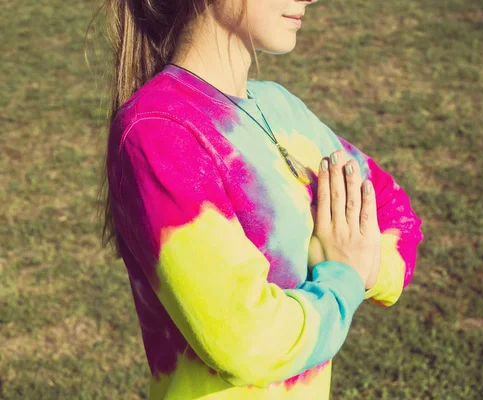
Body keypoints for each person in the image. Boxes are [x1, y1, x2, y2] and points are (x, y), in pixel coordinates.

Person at [96, 0, 423, 398]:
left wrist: (367, 270)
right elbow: (245, 341)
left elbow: (395, 211)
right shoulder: (160, 132)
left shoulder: (279, 107)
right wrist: (344, 280)